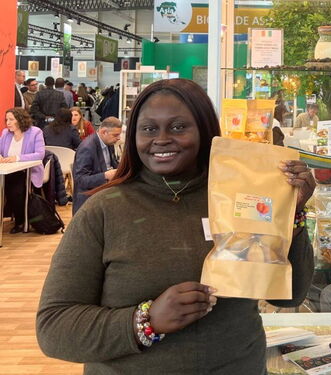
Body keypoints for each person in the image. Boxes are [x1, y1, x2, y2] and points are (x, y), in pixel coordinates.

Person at [36, 79, 316, 374]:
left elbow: (289, 295)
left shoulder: (238, 197)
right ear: (133, 137)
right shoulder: (104, 211)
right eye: (148, 129)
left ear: (205, 131)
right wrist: (146, 321)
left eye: (179, 127)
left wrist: (291, 212)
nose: (161, 139)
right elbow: (54, 328)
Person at [0, 108, 45, 233]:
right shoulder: (5, 133)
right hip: (7, 172)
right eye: (6, 120)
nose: (7, 122)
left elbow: (40, 154)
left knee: (15, 189)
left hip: (27, 172)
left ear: (20, 120)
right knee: (7, 184)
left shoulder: (35, 132)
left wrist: (17, 158)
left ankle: (20, 221)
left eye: (11, 119)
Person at [71, 117, 122, 214]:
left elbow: (114, 165)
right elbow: (80, 180)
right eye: (116, 135)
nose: (119, 138)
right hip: (89, 198)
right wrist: (105, 176)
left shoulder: (109, 143)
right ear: (103, 132)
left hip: (104, 190)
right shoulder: (87, 148)